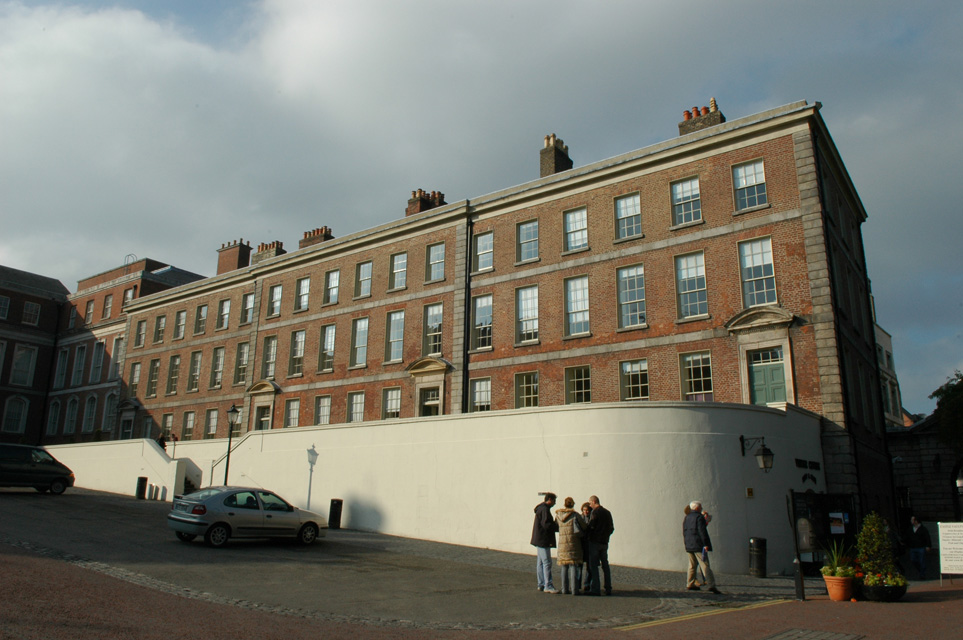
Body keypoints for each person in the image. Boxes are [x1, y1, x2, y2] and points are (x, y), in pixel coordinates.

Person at [683, 500, 720, 594]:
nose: (701, 508)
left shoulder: (687, 517)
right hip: (698, 545)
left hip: (689, 544)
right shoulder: (699, 517)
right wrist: (706, 545)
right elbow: (702, 532)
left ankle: (690, 583)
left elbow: (685, 531)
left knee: (691, 565)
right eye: (700, 507)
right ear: (697, 508)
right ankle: (711, 585)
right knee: (705, 565)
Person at [554, 497, 585, 595]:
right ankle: (575, 590)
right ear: (572, 504)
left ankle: (564, 589)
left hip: (562, 543)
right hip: (573, 543)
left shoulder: (558, 515)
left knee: (564, 567)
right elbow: (583, 526)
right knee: (573, 565)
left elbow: (556, 526)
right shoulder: (575, 515)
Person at [585, 495, 614, 596]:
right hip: (604, 542)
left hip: (595, 542)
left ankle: (596, 588)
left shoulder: (595, 513)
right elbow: (611, 528)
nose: (589, 505)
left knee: (594, 565)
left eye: (590, 503)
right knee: (605, 565)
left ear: (594, 502)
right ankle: (608, 587)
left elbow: (591, 526)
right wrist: (606, 536)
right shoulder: (607, 512)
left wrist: (589, 535)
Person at [531, 493, 559, 593]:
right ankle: (548, 585)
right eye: (554, 501)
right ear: (550, 500)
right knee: (547, 562)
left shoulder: (540, 508)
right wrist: (556, 526)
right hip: (543, 539)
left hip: (539, 539)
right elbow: (546, 524)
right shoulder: (545, 509)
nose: (555, 503)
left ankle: (541, 583)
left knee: (540, 562)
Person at [907, 515, 932, 579]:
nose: (911, 521)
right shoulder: (910, 528)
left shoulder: (923, 529)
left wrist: (928, 546)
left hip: (921, 547)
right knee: (913, 560)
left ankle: (922, 574)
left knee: (922, 560)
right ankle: (920, 570)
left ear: (916, 521)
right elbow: (908, 537)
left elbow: (927, 537)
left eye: (912, 520)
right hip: (913, 547)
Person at [579, 502, 593, 593]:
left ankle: (587, 584)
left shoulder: (592, 518)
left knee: (589, 566)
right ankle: (578, 584)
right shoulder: (580, 518)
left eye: (587, 510)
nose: (586, 512)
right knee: (579, 566)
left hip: (589, 544)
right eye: (584, 510)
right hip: (581, 544)